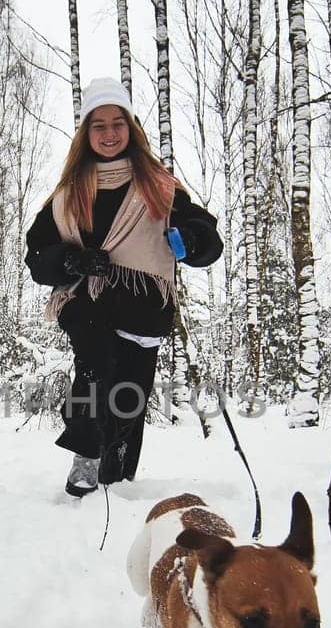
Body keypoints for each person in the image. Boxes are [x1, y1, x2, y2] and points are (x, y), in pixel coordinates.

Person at [25, 77, 223, 497]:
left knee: (131, 398)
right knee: (95, 369)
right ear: (86, 134)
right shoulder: (68, 195)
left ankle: (115, 478)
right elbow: (37, 256)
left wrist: (191, 240)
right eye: (99, 125)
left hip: (143, 308)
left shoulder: (158, 186)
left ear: (131, 129)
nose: (110, 133)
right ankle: (84, 458)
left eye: (118, 123)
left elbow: (206, 234)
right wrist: (71, 260)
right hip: (88, 302)